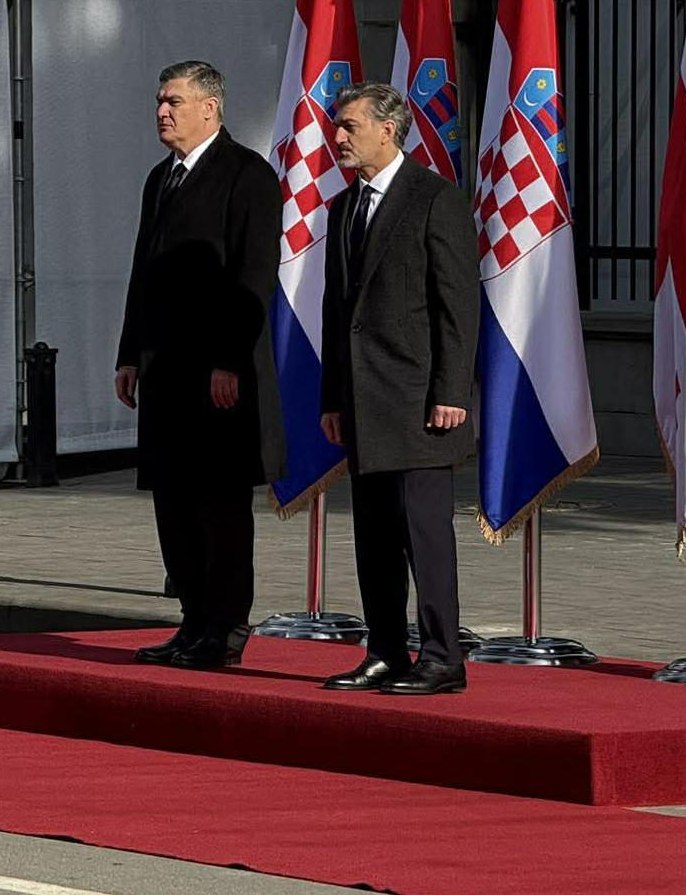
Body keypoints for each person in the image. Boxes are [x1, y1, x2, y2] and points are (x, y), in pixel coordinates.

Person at [115, 60, 285, 669]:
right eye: (160, 101)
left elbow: (253, 278)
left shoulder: (248, 176)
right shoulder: (161, 178)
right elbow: (144, 272)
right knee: (174, 504)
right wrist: (129, 353)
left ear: (210, 108)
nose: (163, 111)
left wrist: (228, 361)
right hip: (165, 374)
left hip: (218, 375)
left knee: (219, 507)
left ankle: (226, 629)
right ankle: (192, 620)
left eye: (175, 102)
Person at [318, 82, 479, 695]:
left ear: (388, 130)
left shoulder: (434, 199)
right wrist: (332, 398)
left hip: (420, 403)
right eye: (338, 125)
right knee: (375, 539)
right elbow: (339, 311)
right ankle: (384, 650)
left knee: (425, 536)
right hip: (363, 402)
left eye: (350, 125)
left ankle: (442, 657)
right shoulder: (343, 207)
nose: (338, 137)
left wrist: (452, 392)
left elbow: (456, 307)